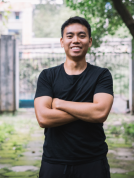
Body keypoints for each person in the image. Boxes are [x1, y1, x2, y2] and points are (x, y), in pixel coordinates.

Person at [34, 16, 114, 178]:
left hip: (92, 161)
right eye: (70, 36)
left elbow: (100, 113)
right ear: (62, 41)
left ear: (89, 41)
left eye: (81, 35)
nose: (76, 40)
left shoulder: (102, 75)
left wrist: (59, 103)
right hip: (54, 162)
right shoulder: (47, 76)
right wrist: (87, 109)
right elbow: (44, 118)